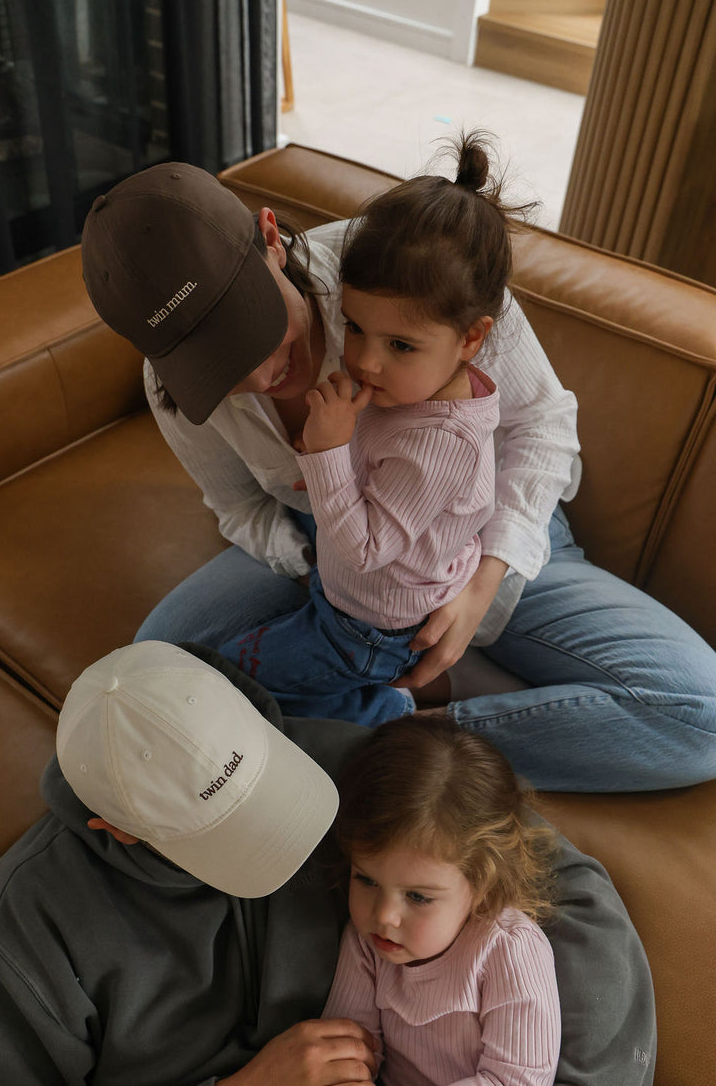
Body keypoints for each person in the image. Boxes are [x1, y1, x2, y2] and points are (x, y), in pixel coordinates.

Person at [79, 152, 716, 793]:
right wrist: (332, 573)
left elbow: (543, 425)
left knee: (704, 716)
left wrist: (479, 590)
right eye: (214, 363)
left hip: (479, 531)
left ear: (270, 238)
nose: (257, 376)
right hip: (326, 554)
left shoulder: (408, 271)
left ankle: (414, 742)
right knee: (147, 679)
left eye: (248, 328)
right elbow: (241, 509)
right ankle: (371, 689)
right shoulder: (171, 387)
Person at [0, 641, 654, 1086]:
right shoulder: (12, 941)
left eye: (268, 793)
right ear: (115, 828)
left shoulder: (350, 768)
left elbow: (573, 893)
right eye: (227, 833)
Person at [217, 137, 507, 726]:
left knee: (229, 676)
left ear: (472, 338)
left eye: (400, 345)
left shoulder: (440, 441)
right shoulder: (413, 386)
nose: (366, 362)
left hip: (370, 626)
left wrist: (327, 454)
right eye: (354, 328)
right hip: (350, 596)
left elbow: (368, 549)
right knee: (235, 674)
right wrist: (330, 467)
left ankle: (392, 725)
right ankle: (378, 705)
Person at [235, 717, 561, 1086]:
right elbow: (348, 1058)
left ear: (482, 884)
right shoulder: (365, 943)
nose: (383, 916)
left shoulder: (508, 951)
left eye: (419, 897)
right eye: (365, 880)